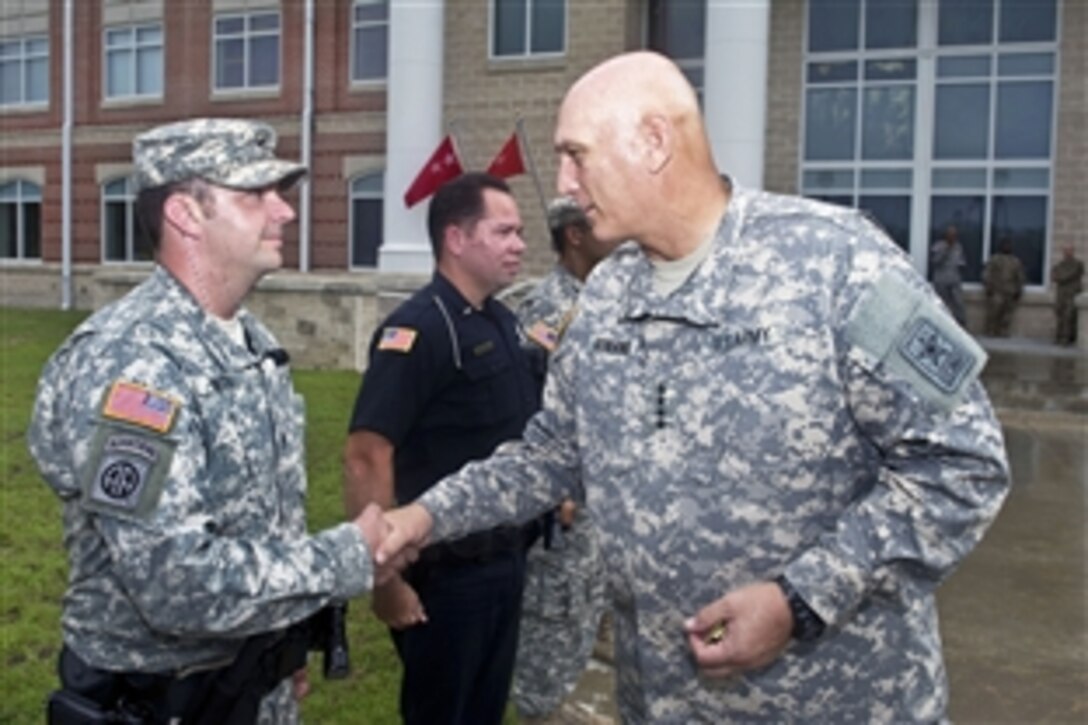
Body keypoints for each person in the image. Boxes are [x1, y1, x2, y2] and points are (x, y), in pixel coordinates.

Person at [374, 51, 1011, 722]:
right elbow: (551, 455)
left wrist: (799, 598)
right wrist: (425, 515)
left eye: (576, 155)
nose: (562, 183)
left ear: (654, 142)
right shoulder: (609, 292)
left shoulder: (842, 262)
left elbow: (963, 464)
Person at [27, 119, 388, 724]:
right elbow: (175, 583)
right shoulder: (134, 362)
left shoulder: (250, 340)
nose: (285, 213)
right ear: (186, 215)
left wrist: (284, 636)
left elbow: (261, 521)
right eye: (255, 195)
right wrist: (345, 556)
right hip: (167, 701)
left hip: (251, 683)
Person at [343, 172, 539, 725]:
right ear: (456, 239)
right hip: (447, 578)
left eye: (519, 231)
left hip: (505, 561)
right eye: (504, 231)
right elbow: (367, 453)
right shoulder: (419, 331)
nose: (519, 245)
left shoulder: (501, 321)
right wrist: (384, 581)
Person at [511, 197, 618, 722]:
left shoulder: (610, 298)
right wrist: (558, 492)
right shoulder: (545, 311)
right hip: (566, 511)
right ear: (575, 235)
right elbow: (532, 407)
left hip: (610, 509)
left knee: (599, 630)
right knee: (554, 640)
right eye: (602, 226)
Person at [982, 237, 1025, 337]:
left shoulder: (1015, 261)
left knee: (1007, 314)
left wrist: (1019, 290)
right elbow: (987, 274)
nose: (1007, 247)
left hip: (1010, 291)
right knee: (994, 312)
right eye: (1005, 245)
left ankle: (1003, 332)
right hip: (997, 290)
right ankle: (991, 331)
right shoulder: (994, 259)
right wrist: (988, 287)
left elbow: (1020, 277)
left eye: (1009, 246)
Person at [930, 224, 967, 325]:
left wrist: (962, 265)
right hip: (941, 279)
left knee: (958, 302)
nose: (953, 237)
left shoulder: (958, 247)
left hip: (954, 279)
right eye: (950, 235)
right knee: (942, 304)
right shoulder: (938, 246)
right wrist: (946, 250)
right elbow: (935, 261)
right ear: (946, 235)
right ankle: (940, 323)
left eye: (954, 235)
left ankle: (961, 324)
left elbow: (961, 260)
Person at [1052, 244, 1084, 345]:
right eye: (1065, 250)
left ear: (1073, 251)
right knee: (1060, 316)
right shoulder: (1059, 265)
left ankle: (1066, 338)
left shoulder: (1078, 264)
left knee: (1069, 317)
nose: (1067, 252)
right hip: (1061, 295)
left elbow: (1069, 275)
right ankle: (1059, 336)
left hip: (1072, 294)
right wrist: (1059, 276)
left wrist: (1060, 276)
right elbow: (1054, 276)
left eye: (1069, 250)